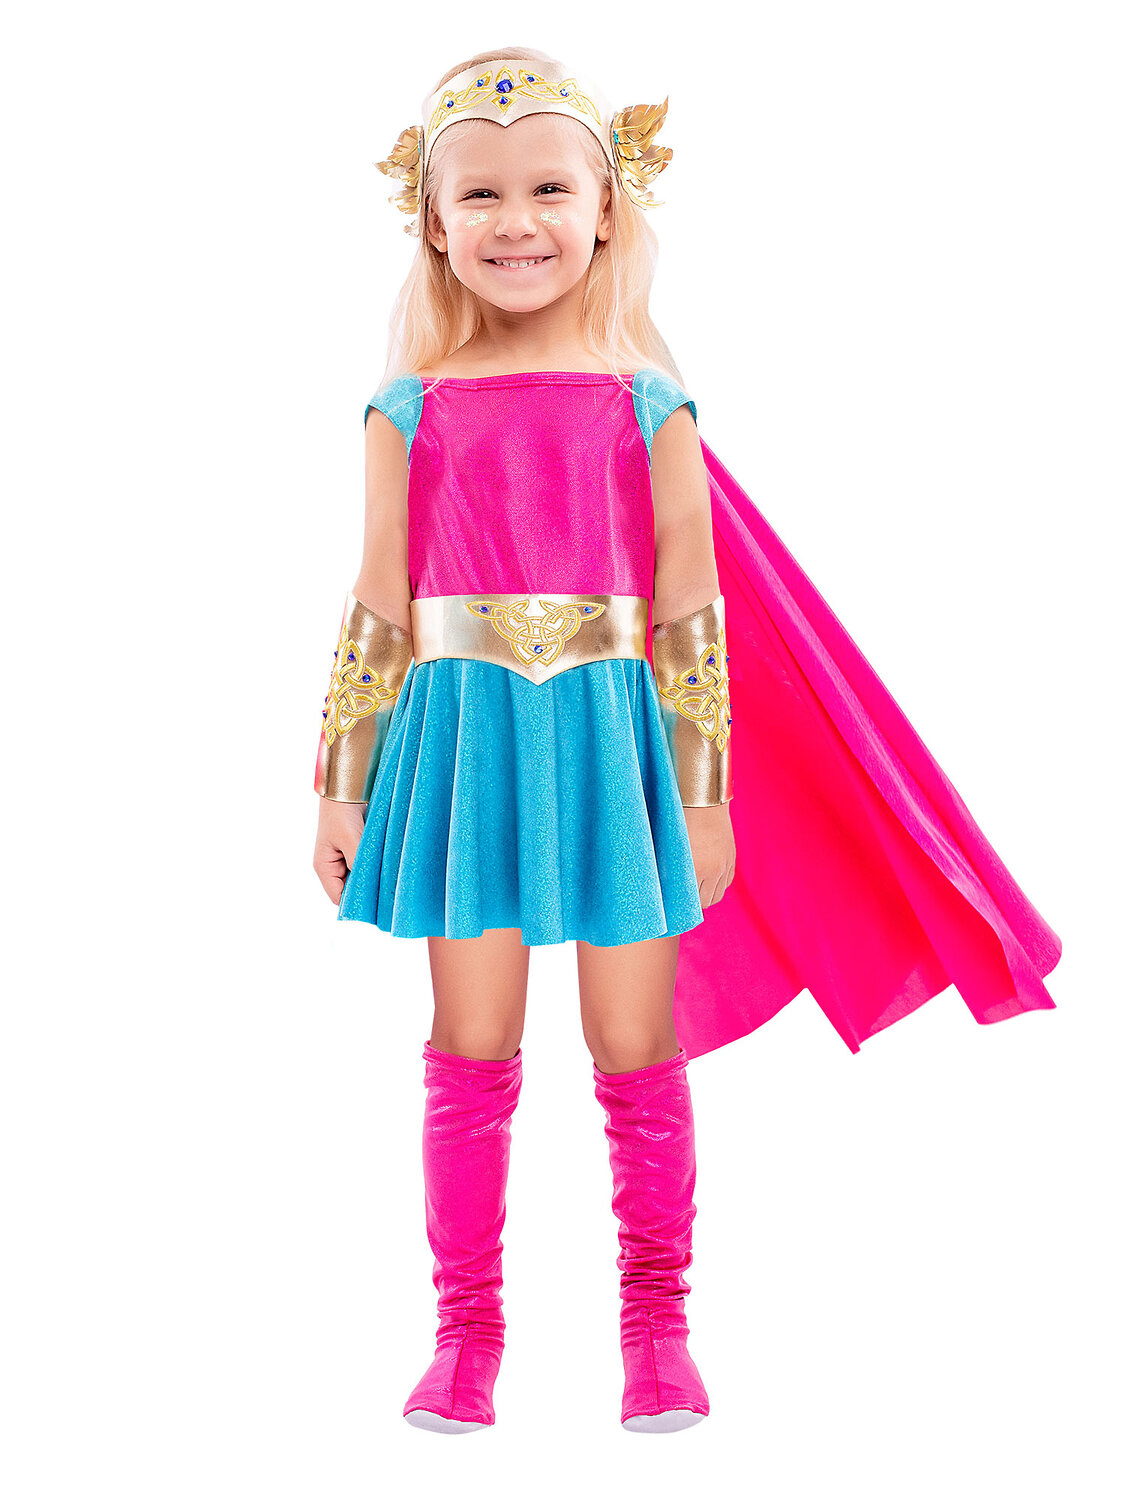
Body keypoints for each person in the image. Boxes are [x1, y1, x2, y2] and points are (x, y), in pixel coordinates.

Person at [311, 46, 1061, 1436]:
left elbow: (691, 610)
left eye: (548, 188)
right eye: (480, 195)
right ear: (432, 219)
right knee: (469, 1041)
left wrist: (704, 799)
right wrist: (340, 784)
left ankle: (658, 1330)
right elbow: (376, 602)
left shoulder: (645, 403)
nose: (516, 221)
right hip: (463, 749)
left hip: (614, 750)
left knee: (633, 1038)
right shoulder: (405, 408)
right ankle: (464, 1337)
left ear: (607, 208)